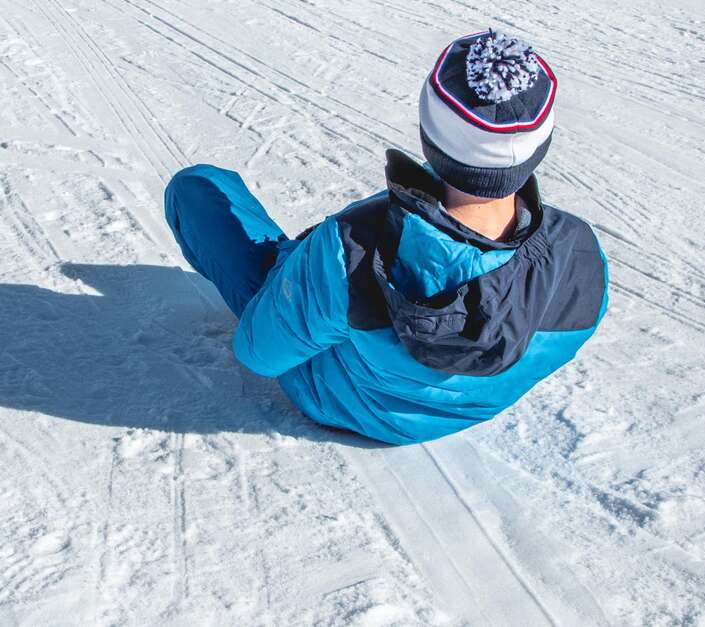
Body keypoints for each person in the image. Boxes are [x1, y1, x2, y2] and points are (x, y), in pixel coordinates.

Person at [164, 31, 608, 445]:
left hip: (338, 399)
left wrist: (302, 267)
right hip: (462, 412)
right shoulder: (582, 255)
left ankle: (291, 275)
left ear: (430, 136)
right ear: (538, 146)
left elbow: (257, 354)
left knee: (200, 188)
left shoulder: (353, 248)